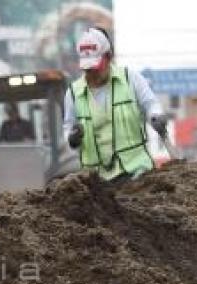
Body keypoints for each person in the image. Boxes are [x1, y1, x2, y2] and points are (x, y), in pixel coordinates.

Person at [63, 27, 168, 182]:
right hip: (97, 183)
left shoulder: (130, 79)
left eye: (96, 67)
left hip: (137, 174)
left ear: (109, 57)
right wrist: (72, 138)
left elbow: (151, 104)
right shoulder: (73, 93)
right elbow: (68, 126)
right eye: (88, 69)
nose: (92, 73)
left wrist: (156, 116)